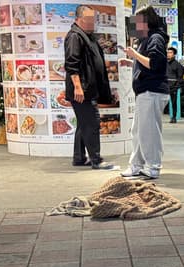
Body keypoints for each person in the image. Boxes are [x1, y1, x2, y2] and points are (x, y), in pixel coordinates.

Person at [121, 5, 169, 179]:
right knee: (139, 131)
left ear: (145, 22)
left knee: (149, 132)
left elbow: (156, 64)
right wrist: (131, 62)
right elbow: (148, 63)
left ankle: (153, 166)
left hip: (152, 91)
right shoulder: (147, 39)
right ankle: (136, 165)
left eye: (137, 22)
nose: (134, 27)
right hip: (146, 92)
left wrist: (134, 56)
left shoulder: (155, 38)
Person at [65, 5, 114, 169]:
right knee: (91, 123)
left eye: (94, 19)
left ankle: (79, 157)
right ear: (78, 19)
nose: (92, 22)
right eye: (89, 19)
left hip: (89, 89)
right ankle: (96, 160)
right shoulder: (74, 36)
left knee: (83, 123)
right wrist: (78, 87)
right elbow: (72, 63)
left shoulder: (88, 36)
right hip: (82, 90)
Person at [166, 46, 184, 123]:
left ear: (174, 54)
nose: (168, 54)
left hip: (173, 86)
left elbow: (180, 77)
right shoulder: (164, 64)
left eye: (170, 53)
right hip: (164, 86)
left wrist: (177, 86)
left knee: (173, 103)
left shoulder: (177, 65)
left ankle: (174, 117)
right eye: (168, 52)